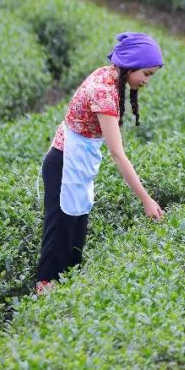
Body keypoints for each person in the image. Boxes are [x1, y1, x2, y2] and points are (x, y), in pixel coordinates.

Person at [35, 31, 165, 296]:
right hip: (64, 164)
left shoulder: (110, 78)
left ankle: (65, 304)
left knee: (74, 241)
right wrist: (146, 199)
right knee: (58, 241)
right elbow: (118, 153)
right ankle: (42, 305)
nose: (147, 81)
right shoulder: (104, 91)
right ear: (131, 66)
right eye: (147, 74)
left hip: (76, 162)